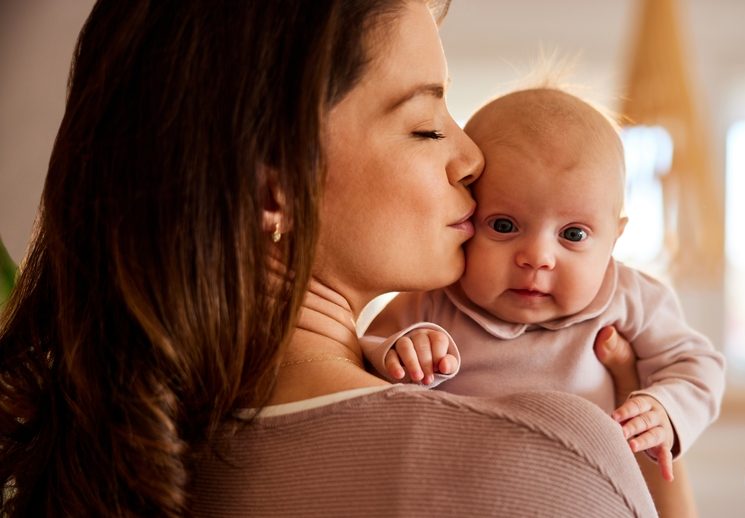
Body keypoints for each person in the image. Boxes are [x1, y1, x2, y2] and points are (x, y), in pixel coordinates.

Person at [0, 1, 661, 516]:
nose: (471, 157)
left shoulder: (86, 464)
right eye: (426, 125)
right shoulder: (553, 455)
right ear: (274, 189)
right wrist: (637, 417)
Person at [361, 87, 725, 505]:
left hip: (586, 500)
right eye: (503, 225)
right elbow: (362, 360)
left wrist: (664, 408)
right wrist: (402, 351)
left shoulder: (628, 297)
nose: (537, 257)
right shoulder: (431, 300)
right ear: (465, 219)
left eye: (573, 234)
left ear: (613, 239)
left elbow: (697, 365)